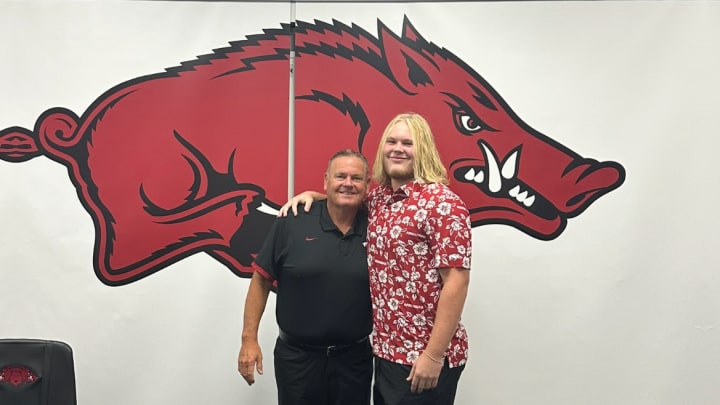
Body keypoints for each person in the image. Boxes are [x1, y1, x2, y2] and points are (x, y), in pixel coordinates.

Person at [282, 113, 472, 405]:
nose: (398, 148)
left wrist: (433, 356)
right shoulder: (381, 199)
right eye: (392, 141)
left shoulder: (442, 203)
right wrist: (313, 195)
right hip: (384, 353)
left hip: (422, 357)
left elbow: (457, 283)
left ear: (423, 149)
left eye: (408, 143)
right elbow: (347, 196)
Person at [238, 149, 373, 405]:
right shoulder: (293, 221)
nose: (347, 183)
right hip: (297, 361)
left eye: (356, 178)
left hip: (354, 362)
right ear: (325, 180)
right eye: (340, 176)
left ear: (367, 185)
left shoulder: (378, 225)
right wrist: (249, 340)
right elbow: (261, 280)